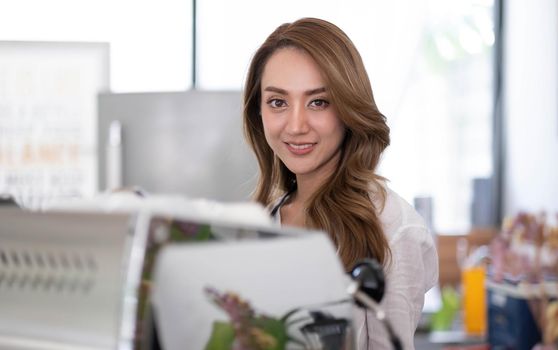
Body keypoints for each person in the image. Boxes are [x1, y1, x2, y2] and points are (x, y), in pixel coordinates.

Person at [242, 17, 438, 350]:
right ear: (258, 113)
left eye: (318, 101)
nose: (296, 125)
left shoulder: (393, 229)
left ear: (348, 109)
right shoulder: (260, 219)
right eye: (278, 102)